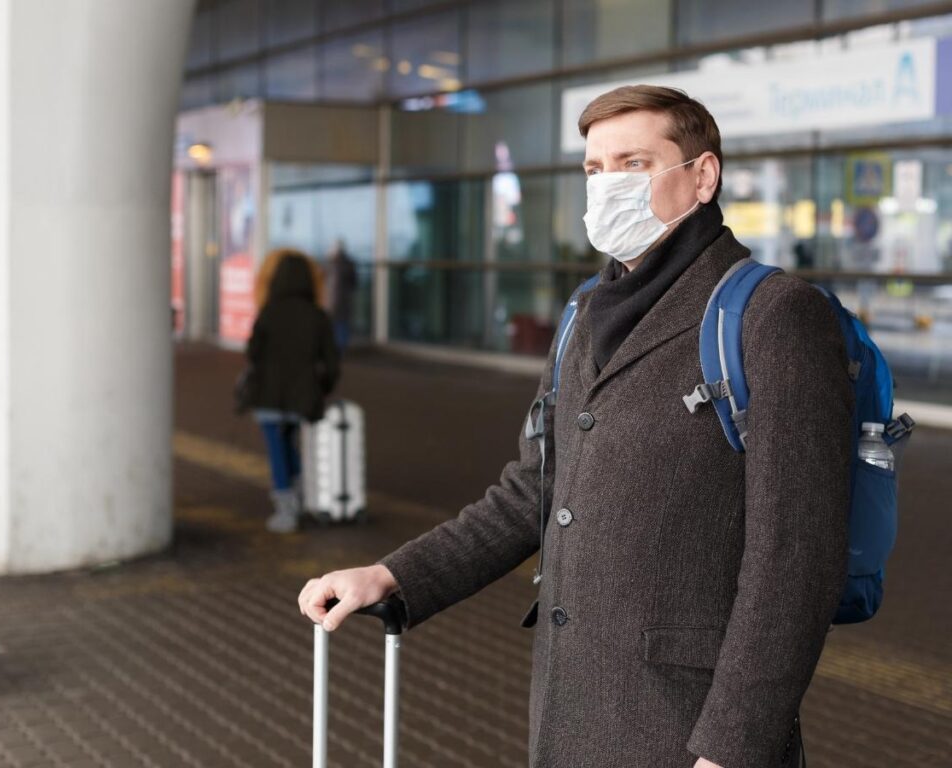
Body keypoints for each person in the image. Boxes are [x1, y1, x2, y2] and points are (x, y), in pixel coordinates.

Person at [298, 86, 852, 768]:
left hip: (691, 733)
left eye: (634, 163)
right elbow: (533, 491)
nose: (608, 185)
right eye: (594, 169)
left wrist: (733, 747)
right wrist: (393, 575)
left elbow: (796, 562)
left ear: (703, 176)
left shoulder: (774, 316)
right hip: (571, 717)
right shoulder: (585, 313)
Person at [247, 249, 339, 533]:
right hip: (302, 397)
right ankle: (303, 495)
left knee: (277, 449)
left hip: (269, 395)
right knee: (292, 444)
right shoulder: (317, 316)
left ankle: (286, 510)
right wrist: (322, 389)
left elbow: (253, 354)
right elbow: (332, 364)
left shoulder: (268, 312)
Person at [324, 239, 358, 353]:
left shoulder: (332, 265)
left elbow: (328, 285)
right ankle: (341, 349)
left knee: (335, 325)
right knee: (343, 325)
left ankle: (336, 350)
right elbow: (354, 283)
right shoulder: (349, 264)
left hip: (333, 301)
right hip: (345, 300)